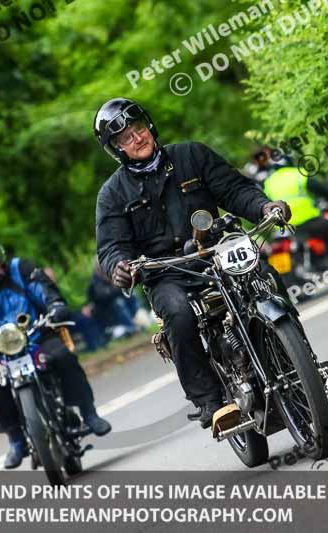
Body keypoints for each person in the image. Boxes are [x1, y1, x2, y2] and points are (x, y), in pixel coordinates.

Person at [93, 98, 291, 429]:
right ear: (116, 148)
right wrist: (121, 267)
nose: (137, 139)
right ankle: (210, 401)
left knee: (264, 274)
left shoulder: (191, 155)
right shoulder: (112, 194)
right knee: (179, 314)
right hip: (166, 271)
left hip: (216, 252)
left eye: (138, 129)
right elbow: (112, 246)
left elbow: (235, 190)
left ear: (149, 126)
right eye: (125, 137)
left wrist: (265, 206)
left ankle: (291, 351)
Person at [0, 232, 111, 469]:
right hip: (4, 349)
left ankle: (89, 413)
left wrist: (55, 305)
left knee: (63, 357)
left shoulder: (20, 269)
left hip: (38, 337)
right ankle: (16, 440)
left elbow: (44, 290)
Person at [252, 146, 328, 250]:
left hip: (284, 228)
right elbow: (320, 189)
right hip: (309, 220)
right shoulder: (297, 174)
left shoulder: (268, 182)